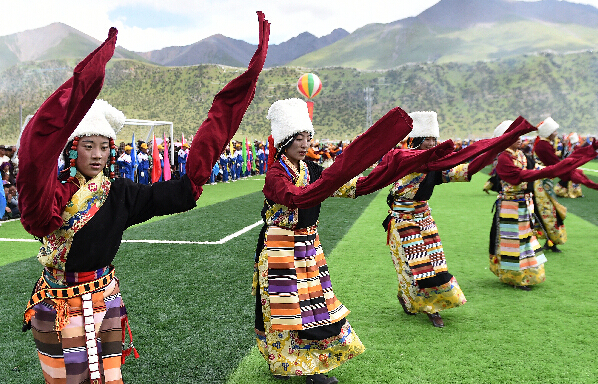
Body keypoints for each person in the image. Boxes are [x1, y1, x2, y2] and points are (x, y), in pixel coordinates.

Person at [17, 14, 270, 384]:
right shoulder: (52, 194)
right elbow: (35, 171)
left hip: (105, 295)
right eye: (89, 146)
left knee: (110, 376)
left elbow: (171, 195)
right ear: (73, 150)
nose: (98, 154)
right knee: (66, 380)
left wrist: (200, 166)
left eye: (105, 147)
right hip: (58, 302)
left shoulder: (119, 193)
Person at [253, 99, 462, 383]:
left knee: (315, 309)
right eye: (298, 139)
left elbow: (351, 186)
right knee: (285, 310)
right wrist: (328, 182)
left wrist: (389, 169)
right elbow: (294, 198)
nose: (304, 144)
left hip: (308, 247)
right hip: (280, 248)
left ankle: (315, 367)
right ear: (284, 141)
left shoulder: (312, 170)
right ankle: (286, 362)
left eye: (307, 138)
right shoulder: (276, 175)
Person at [384, 113, 537, 327]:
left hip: (424, 216)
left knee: (436, 262)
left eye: (434, 139)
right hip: (403, 219)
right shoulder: (400, 159)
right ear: (415, 139)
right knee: (416, 265)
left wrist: (494, 148)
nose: (431, 143)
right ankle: (412, 299)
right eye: (427, 138)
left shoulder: (434, 165)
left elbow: (466, 169)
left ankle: (433, 307)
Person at [490, 121, 598, 290]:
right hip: (511, 204)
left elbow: (540, 167)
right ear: (505, 139)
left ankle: (524, 274)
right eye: (515, 136)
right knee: (514, 242)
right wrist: (552, 169)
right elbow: (521, 175)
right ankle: (516, 277)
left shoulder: (519, 155)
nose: (520, 139)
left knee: (525, 240)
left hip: (523, 202)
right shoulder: (504, 158)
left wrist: (575, 159)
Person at [534, 117, 598, 198]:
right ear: (548, 132)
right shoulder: (544, 145)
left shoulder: (543, 144)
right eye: (554, 131)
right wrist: (569, 170)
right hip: (540, 178)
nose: (556, 133)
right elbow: (556, 166)